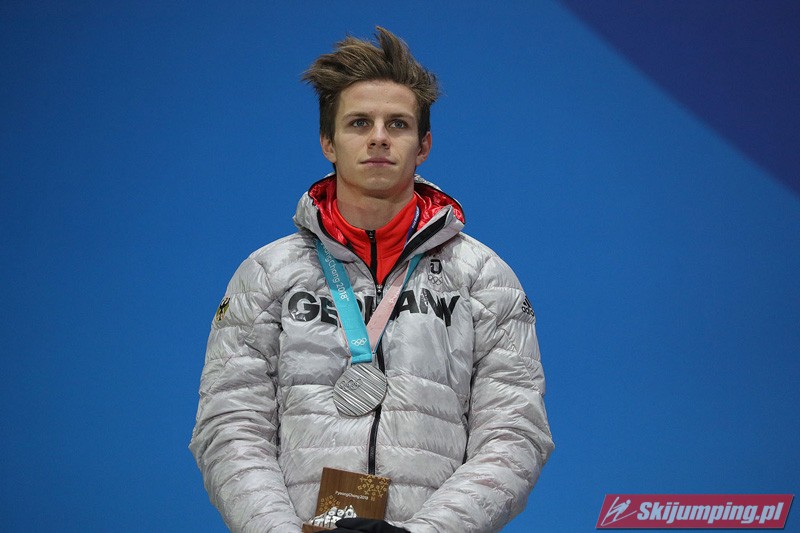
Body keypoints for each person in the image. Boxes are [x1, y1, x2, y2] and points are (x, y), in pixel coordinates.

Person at [190, 27, 554, 533]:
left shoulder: (485, 278)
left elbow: (514, 436)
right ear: (328, 142)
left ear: (423, 145)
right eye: (359, 122)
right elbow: (230, 427)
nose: (379, 137)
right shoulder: (266, 274)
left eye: (397, 124)